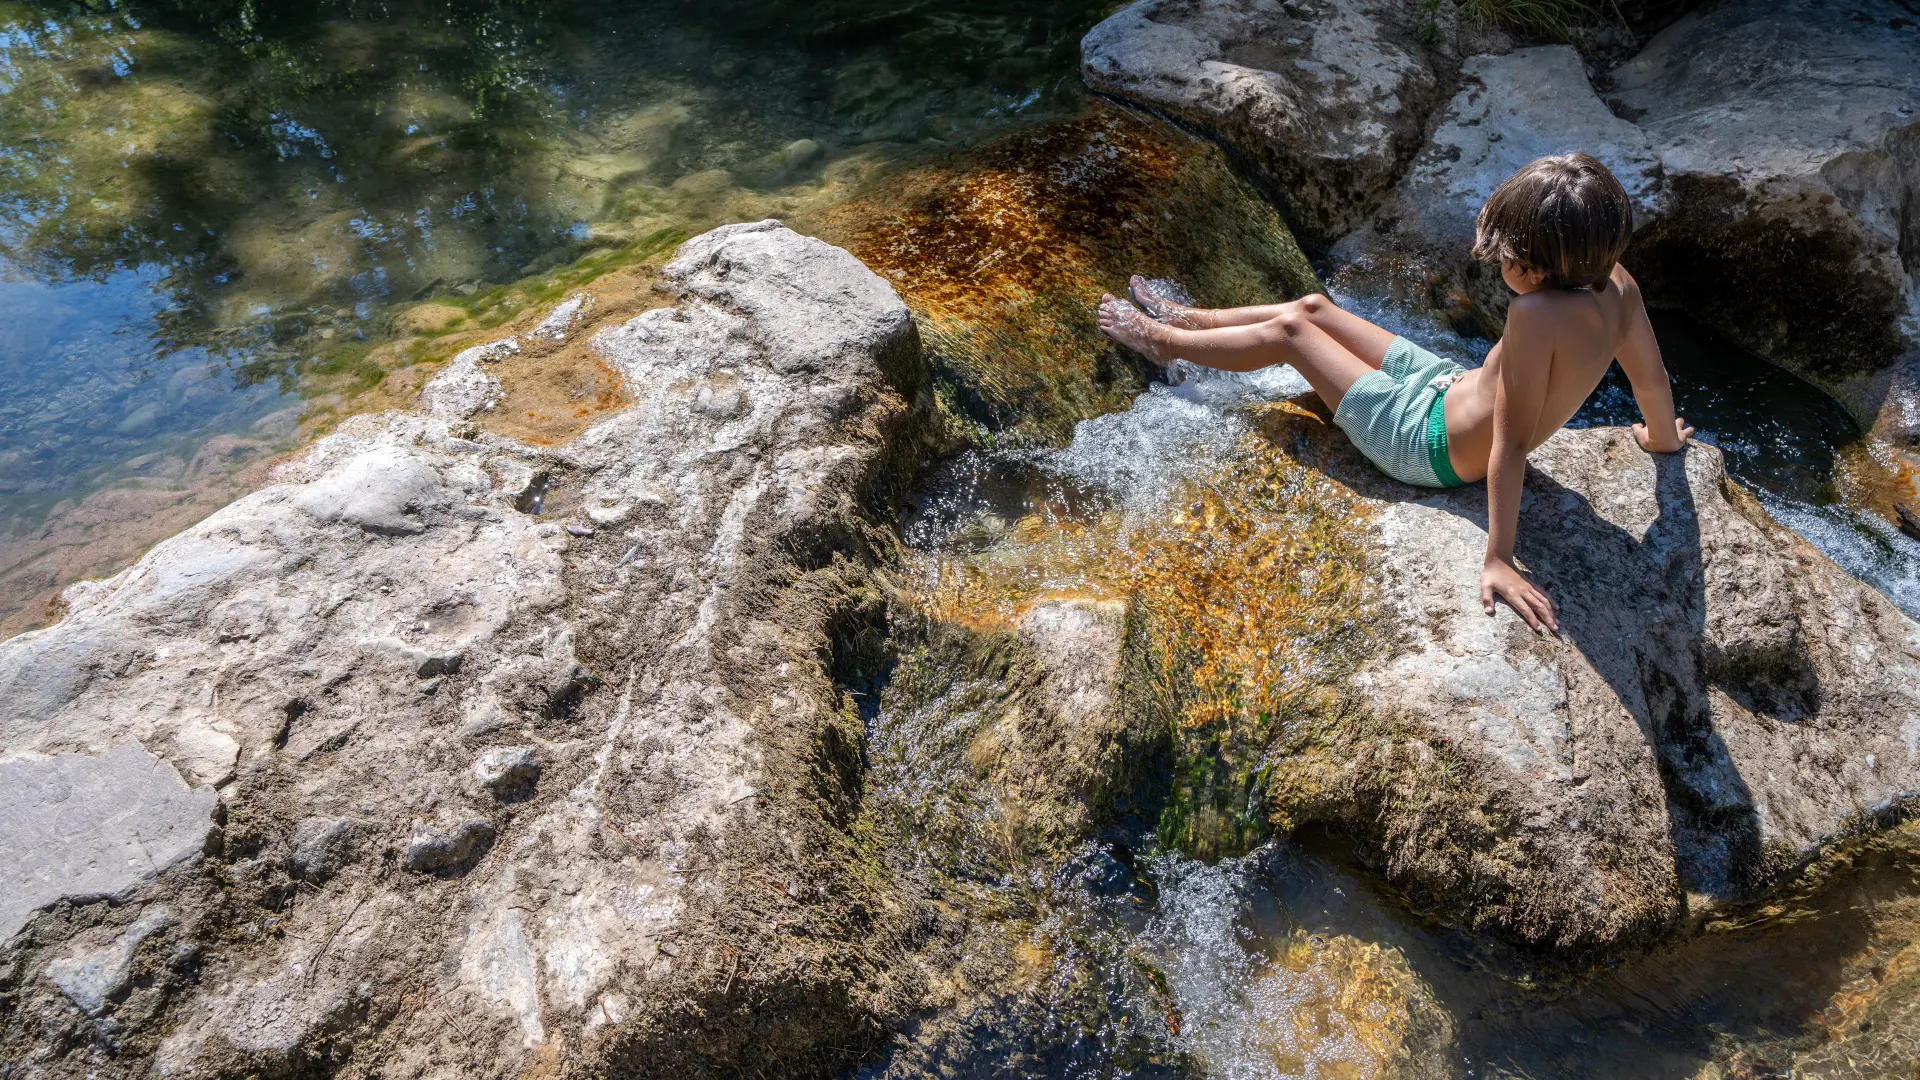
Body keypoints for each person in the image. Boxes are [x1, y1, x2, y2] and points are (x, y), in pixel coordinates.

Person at [1096, 152, 1692, 635]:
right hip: (1442, 385)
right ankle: (1192, 318)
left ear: (1538, 269)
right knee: (1314, 308)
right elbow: (1650, 379)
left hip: (1421, 442)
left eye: (1506, 253)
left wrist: (1499, 559)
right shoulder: (1616, 281)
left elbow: (1509, 448)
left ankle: (1163, 341)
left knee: (1291, 333)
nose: (1495, 259)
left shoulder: (1537, 314)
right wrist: (1662, 441)